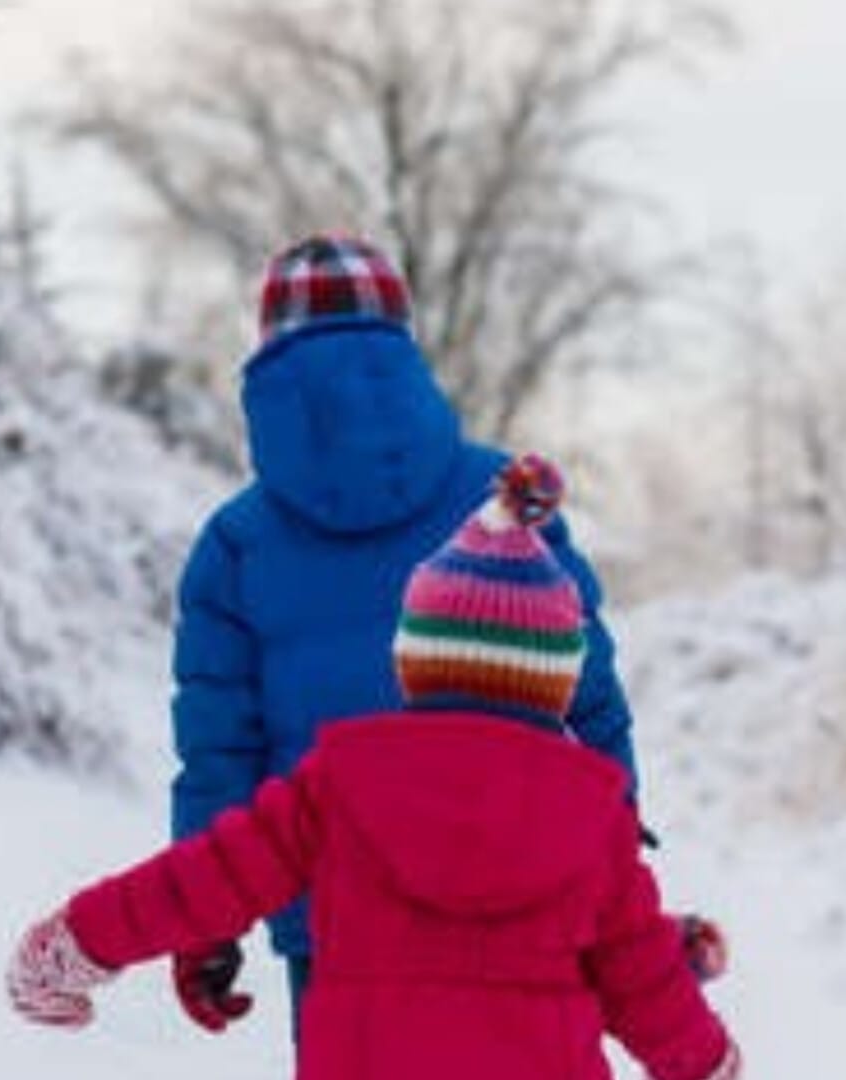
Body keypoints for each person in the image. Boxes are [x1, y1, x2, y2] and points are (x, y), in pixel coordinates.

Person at [7, 457, 740, 1080]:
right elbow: (638, 981)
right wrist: (711, 1061)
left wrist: (78, 942)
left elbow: (208, 877)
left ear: (413, 663)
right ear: (558, 681)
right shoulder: (593, 819)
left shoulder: (341, 784)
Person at [157, 234, 646, 1035]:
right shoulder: (507, 500)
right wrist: (617, 844)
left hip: (335, 918)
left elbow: (219, 755)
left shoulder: (234, 546)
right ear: (403, 345)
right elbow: (588, 693)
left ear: (268, 360)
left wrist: (204, 923)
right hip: (522, 895)